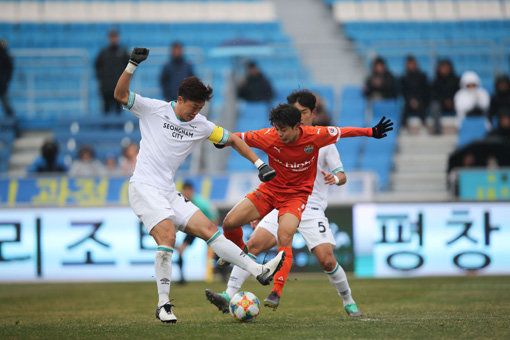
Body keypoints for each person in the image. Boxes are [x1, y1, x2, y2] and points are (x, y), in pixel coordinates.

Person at [113, 47, 285, 323]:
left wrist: (259, 164)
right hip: (144, 187)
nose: (196, 113)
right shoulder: (153, 110)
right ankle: (163, 305)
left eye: (200, 109)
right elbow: (120, 95)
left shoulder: (202, 125)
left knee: (209, 230)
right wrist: (132, 63)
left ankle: (259, 271)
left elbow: (233, 140)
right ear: (179, 99)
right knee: (168, 236)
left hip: (168, 191)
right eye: (193, 107)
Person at [211, 102, 392, 312]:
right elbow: (238, 138)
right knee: (242, 232)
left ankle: (346, 300)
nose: (279, 133)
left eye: (305, 112)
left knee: (325, 259)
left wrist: (371, 132)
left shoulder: (319, 137)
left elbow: (345, 133)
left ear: (304, 119)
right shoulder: (271, 135)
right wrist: (221, 142)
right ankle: (229, 292)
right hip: (273, 194)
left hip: (305, 203)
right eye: (277, 128)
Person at [176, 181, 220, 284]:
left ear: (192, 191)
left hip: (207, 228)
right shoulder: (182, 202)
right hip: (194, 227)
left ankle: (223, 273)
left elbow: (214, 215)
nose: (186, 193)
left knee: (217, 249)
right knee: (181, 249)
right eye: (184, 191)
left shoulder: (201, 202)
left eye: (188, 191)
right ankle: (182, 278)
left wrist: (214, 229)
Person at [95, 29, 130, 115]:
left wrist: (125, 81)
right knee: (106, 111)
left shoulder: (123, 52)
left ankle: (119, 128)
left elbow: (130, 67)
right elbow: (97, 66)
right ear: (109, 38)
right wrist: (102, 80)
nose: (114, 39)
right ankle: (105, 128)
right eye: (112, 37)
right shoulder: (103, 53)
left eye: (115, 37)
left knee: (119, 111)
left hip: (119, 88)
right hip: (106, 88)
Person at [430, 59, 460, 134]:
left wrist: (452, 101)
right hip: (441, 105)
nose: (444, 70)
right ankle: (437, 129)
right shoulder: (436, 81)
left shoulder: (456, 80)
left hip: (454, 103)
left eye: (446, 68)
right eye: (442, 68)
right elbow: (434, 95)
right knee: (434, 106)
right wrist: (444, 101)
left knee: (462, 104)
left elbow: (460, 94)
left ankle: (461, 128)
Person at [400, 55, 429, 133]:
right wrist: (411, 100)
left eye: (412, 64)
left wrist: (417, 100)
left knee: (421, 105)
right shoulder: (404, 77)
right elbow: (404, 92)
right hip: (409, 101)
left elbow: (425, 91)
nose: (410, 66)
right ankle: (403, 127)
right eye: (408, 64)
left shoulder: (422, 76)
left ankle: (424, 126)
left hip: (421, 100)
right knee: (405, 107)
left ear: (416, 64)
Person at [0, 39, 14, 117]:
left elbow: (10, 69)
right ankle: (11, 119)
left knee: (6, 103)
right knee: (6, 103)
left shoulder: (7, 56)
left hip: (3, 83)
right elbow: (10, 70)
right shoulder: (7, 55)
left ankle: (11, 120)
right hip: (3, 83)